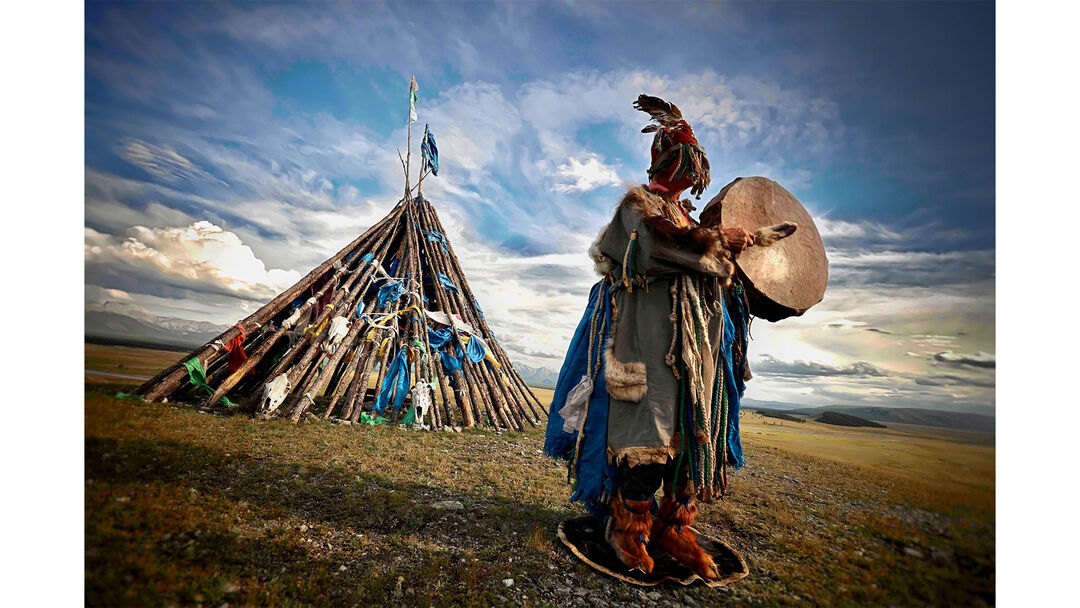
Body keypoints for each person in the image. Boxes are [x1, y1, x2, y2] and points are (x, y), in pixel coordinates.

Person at [545, 94, 792, 579]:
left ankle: (672, 526)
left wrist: (734, 246)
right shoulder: (638, 210)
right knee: (650, 436)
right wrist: (721, 243)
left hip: (696, 350)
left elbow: (706, 260)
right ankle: (628, 528)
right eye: (689, 160)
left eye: (697, 163)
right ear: (666, 158)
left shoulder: (686, 219)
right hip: (649, 343)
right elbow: (661, 252)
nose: (695, 171)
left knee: (693, 436)